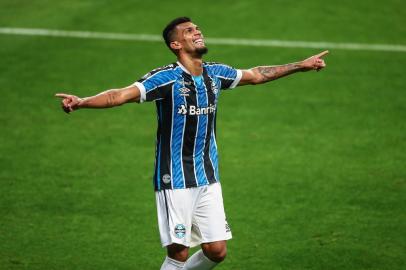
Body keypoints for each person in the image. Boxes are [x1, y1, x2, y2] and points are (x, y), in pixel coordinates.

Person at [56, 17, 328, 270]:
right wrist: (83, 102)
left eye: (197, 29)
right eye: (189, 31)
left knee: (216, 251)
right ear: (176, 45)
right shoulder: (165, 78)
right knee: (179, 252)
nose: (197, 32)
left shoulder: (215, 73)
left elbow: (256, 75)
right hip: (174, 177)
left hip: (208, 175)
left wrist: (300, 66)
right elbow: (119, 95)